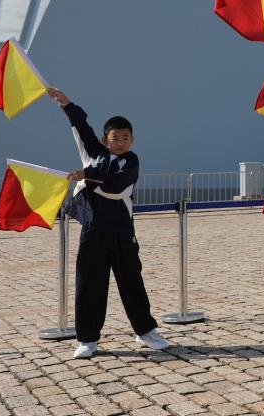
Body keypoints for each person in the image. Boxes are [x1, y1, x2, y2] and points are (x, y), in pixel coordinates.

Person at [45, 88, 168, 360]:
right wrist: (66, 104)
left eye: (126, 137)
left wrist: (86, 175)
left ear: (132, 140)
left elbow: (116, 186)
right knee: (89, 284)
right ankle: (87, 339)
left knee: (132, 281)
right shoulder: (95, 154)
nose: (121, 142)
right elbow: (82, 128)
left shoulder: (131, 162)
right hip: (93, 232)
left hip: (122, 232)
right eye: (116, 138)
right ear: (106, 139)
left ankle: (145, 331)